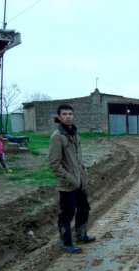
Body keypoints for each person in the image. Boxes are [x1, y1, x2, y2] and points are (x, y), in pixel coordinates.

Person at [49, 104, 95, 253]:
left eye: (70, 114)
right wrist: (70, 179)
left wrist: (83, 173)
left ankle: (81, 235)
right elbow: (54, 164)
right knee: (67, 214)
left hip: (80, 181)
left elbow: (78, 158)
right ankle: (66, 242)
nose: (68, 116)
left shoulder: (75, 133)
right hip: (67, 185)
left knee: (84, 209)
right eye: (65, 114)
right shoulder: (57, 137)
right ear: (59, 117)